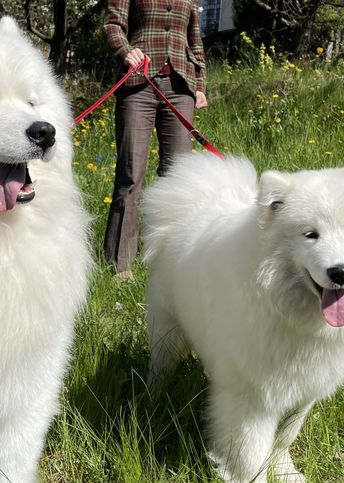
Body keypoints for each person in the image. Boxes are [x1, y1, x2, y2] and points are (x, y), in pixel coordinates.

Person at [103, 0, 208, 280]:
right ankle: (120, 264)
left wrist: (199, 87)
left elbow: (195, 43)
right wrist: (125, 51)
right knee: (130, 175)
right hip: (137, 85)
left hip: (180, 88)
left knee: (178, 180)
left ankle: (171, 262)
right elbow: (112, 24)